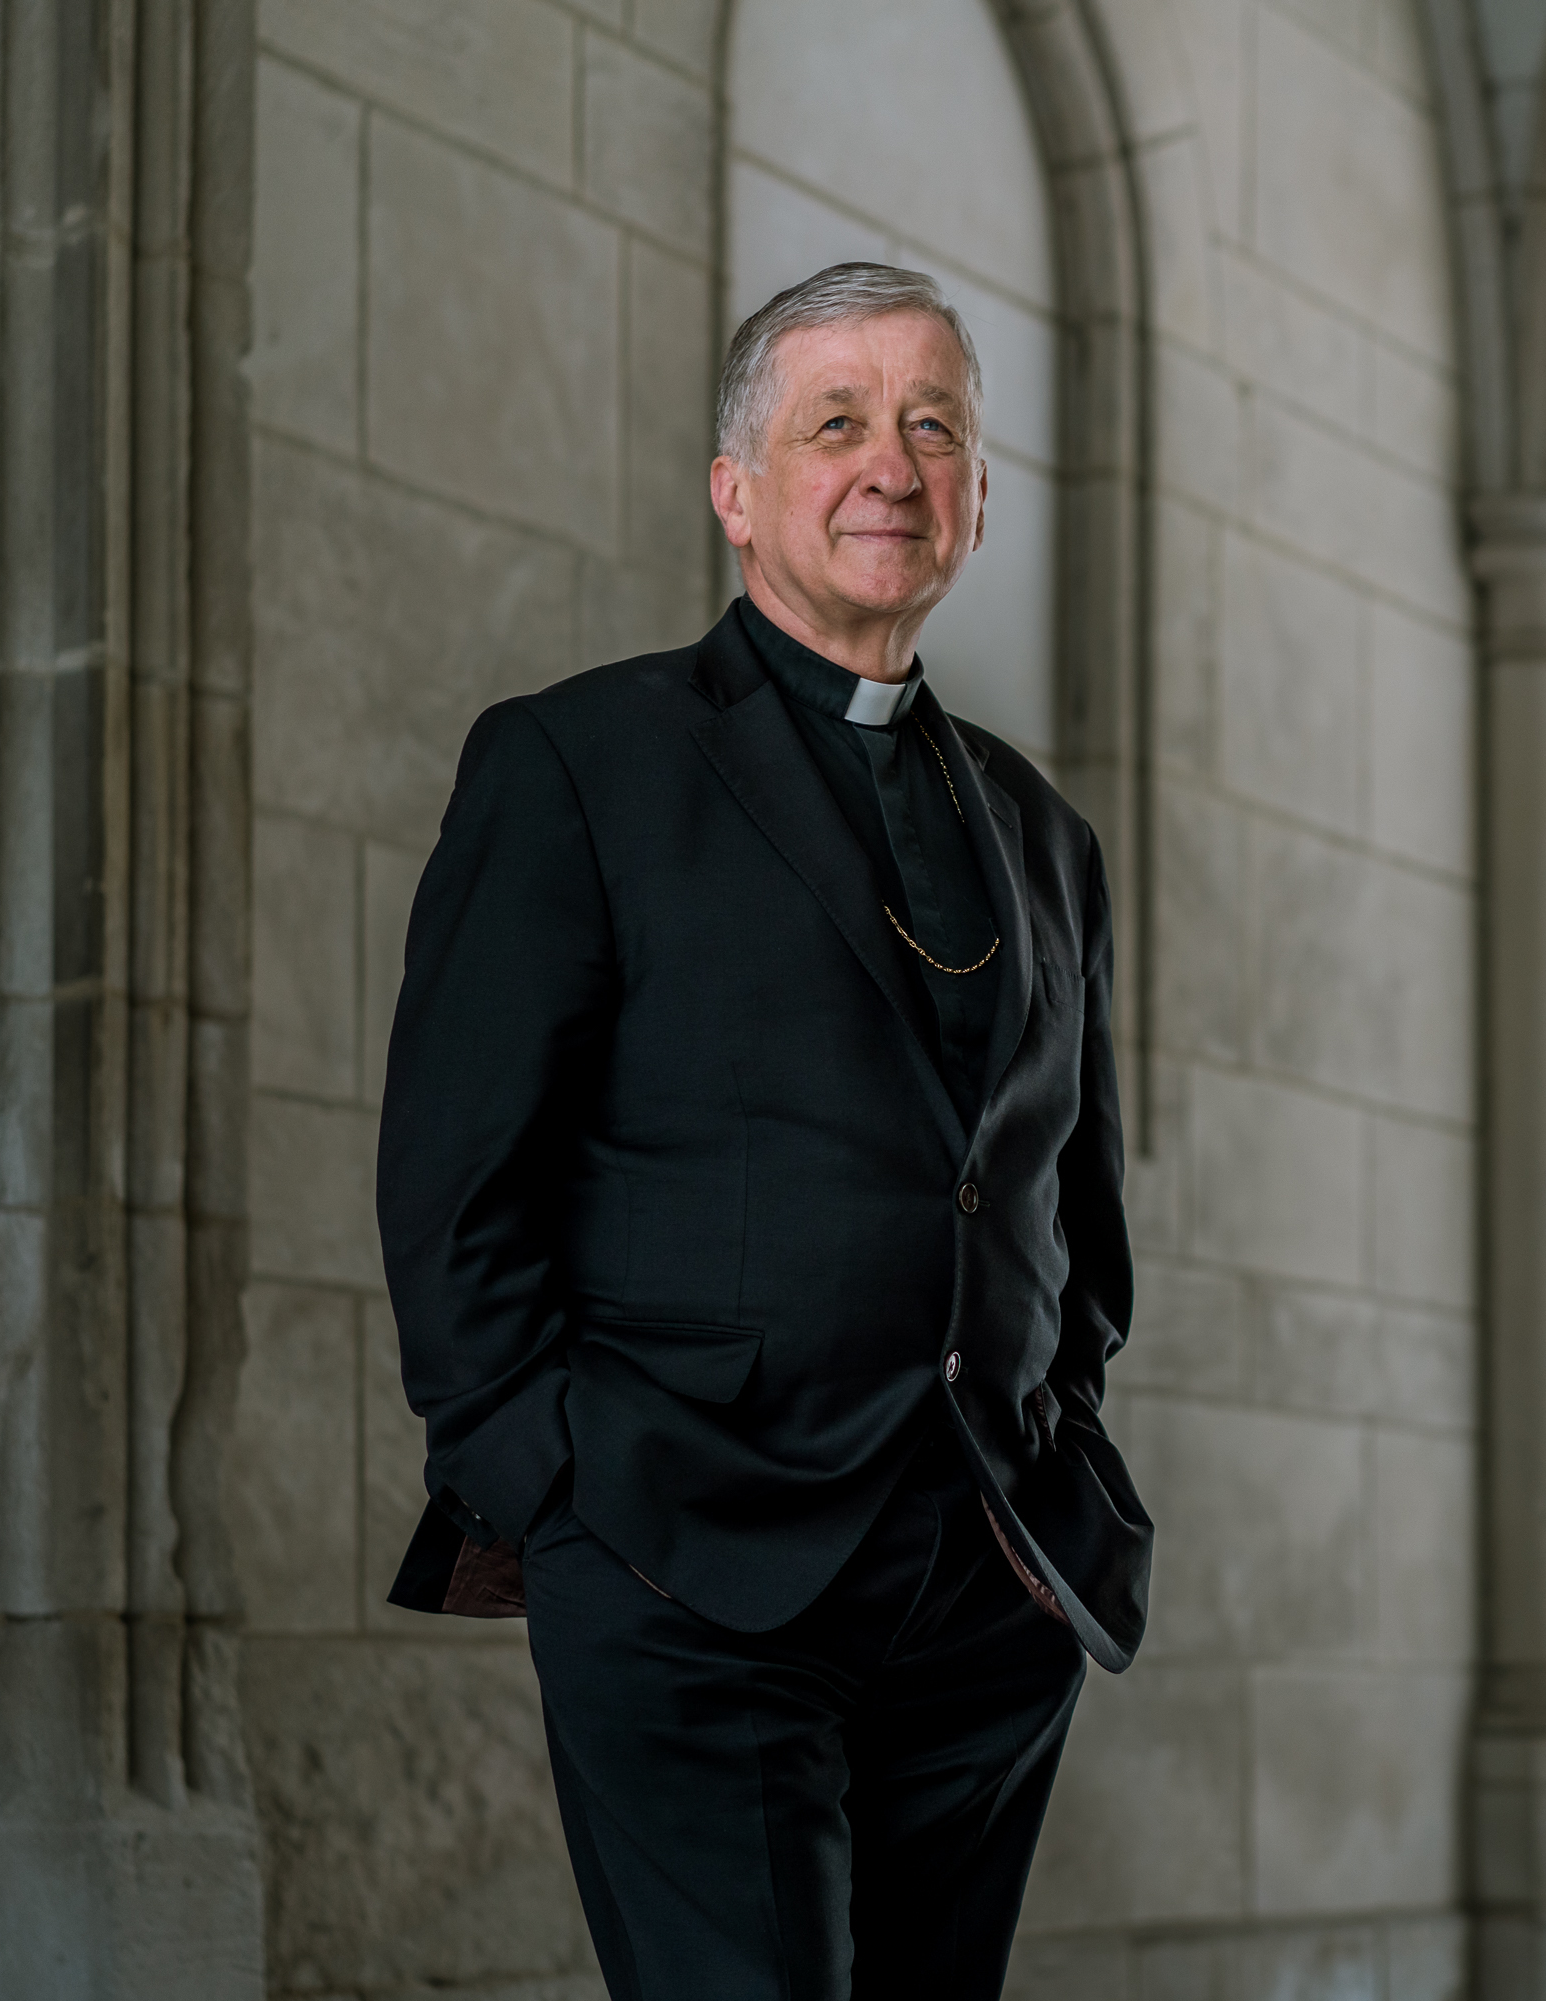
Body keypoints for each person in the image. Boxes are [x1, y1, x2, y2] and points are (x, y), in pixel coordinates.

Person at [376, 261, 1149, 2000]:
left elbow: (1073, 1206)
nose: (894, 462)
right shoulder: (579, 762)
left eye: (934, 425)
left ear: (974, 494)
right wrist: (564, 1501)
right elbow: (453, 1179)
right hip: (688, 1562)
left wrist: (1060, 1444)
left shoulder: (1044, 835)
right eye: (839, 422)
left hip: (980, 1583)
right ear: (738, 491)